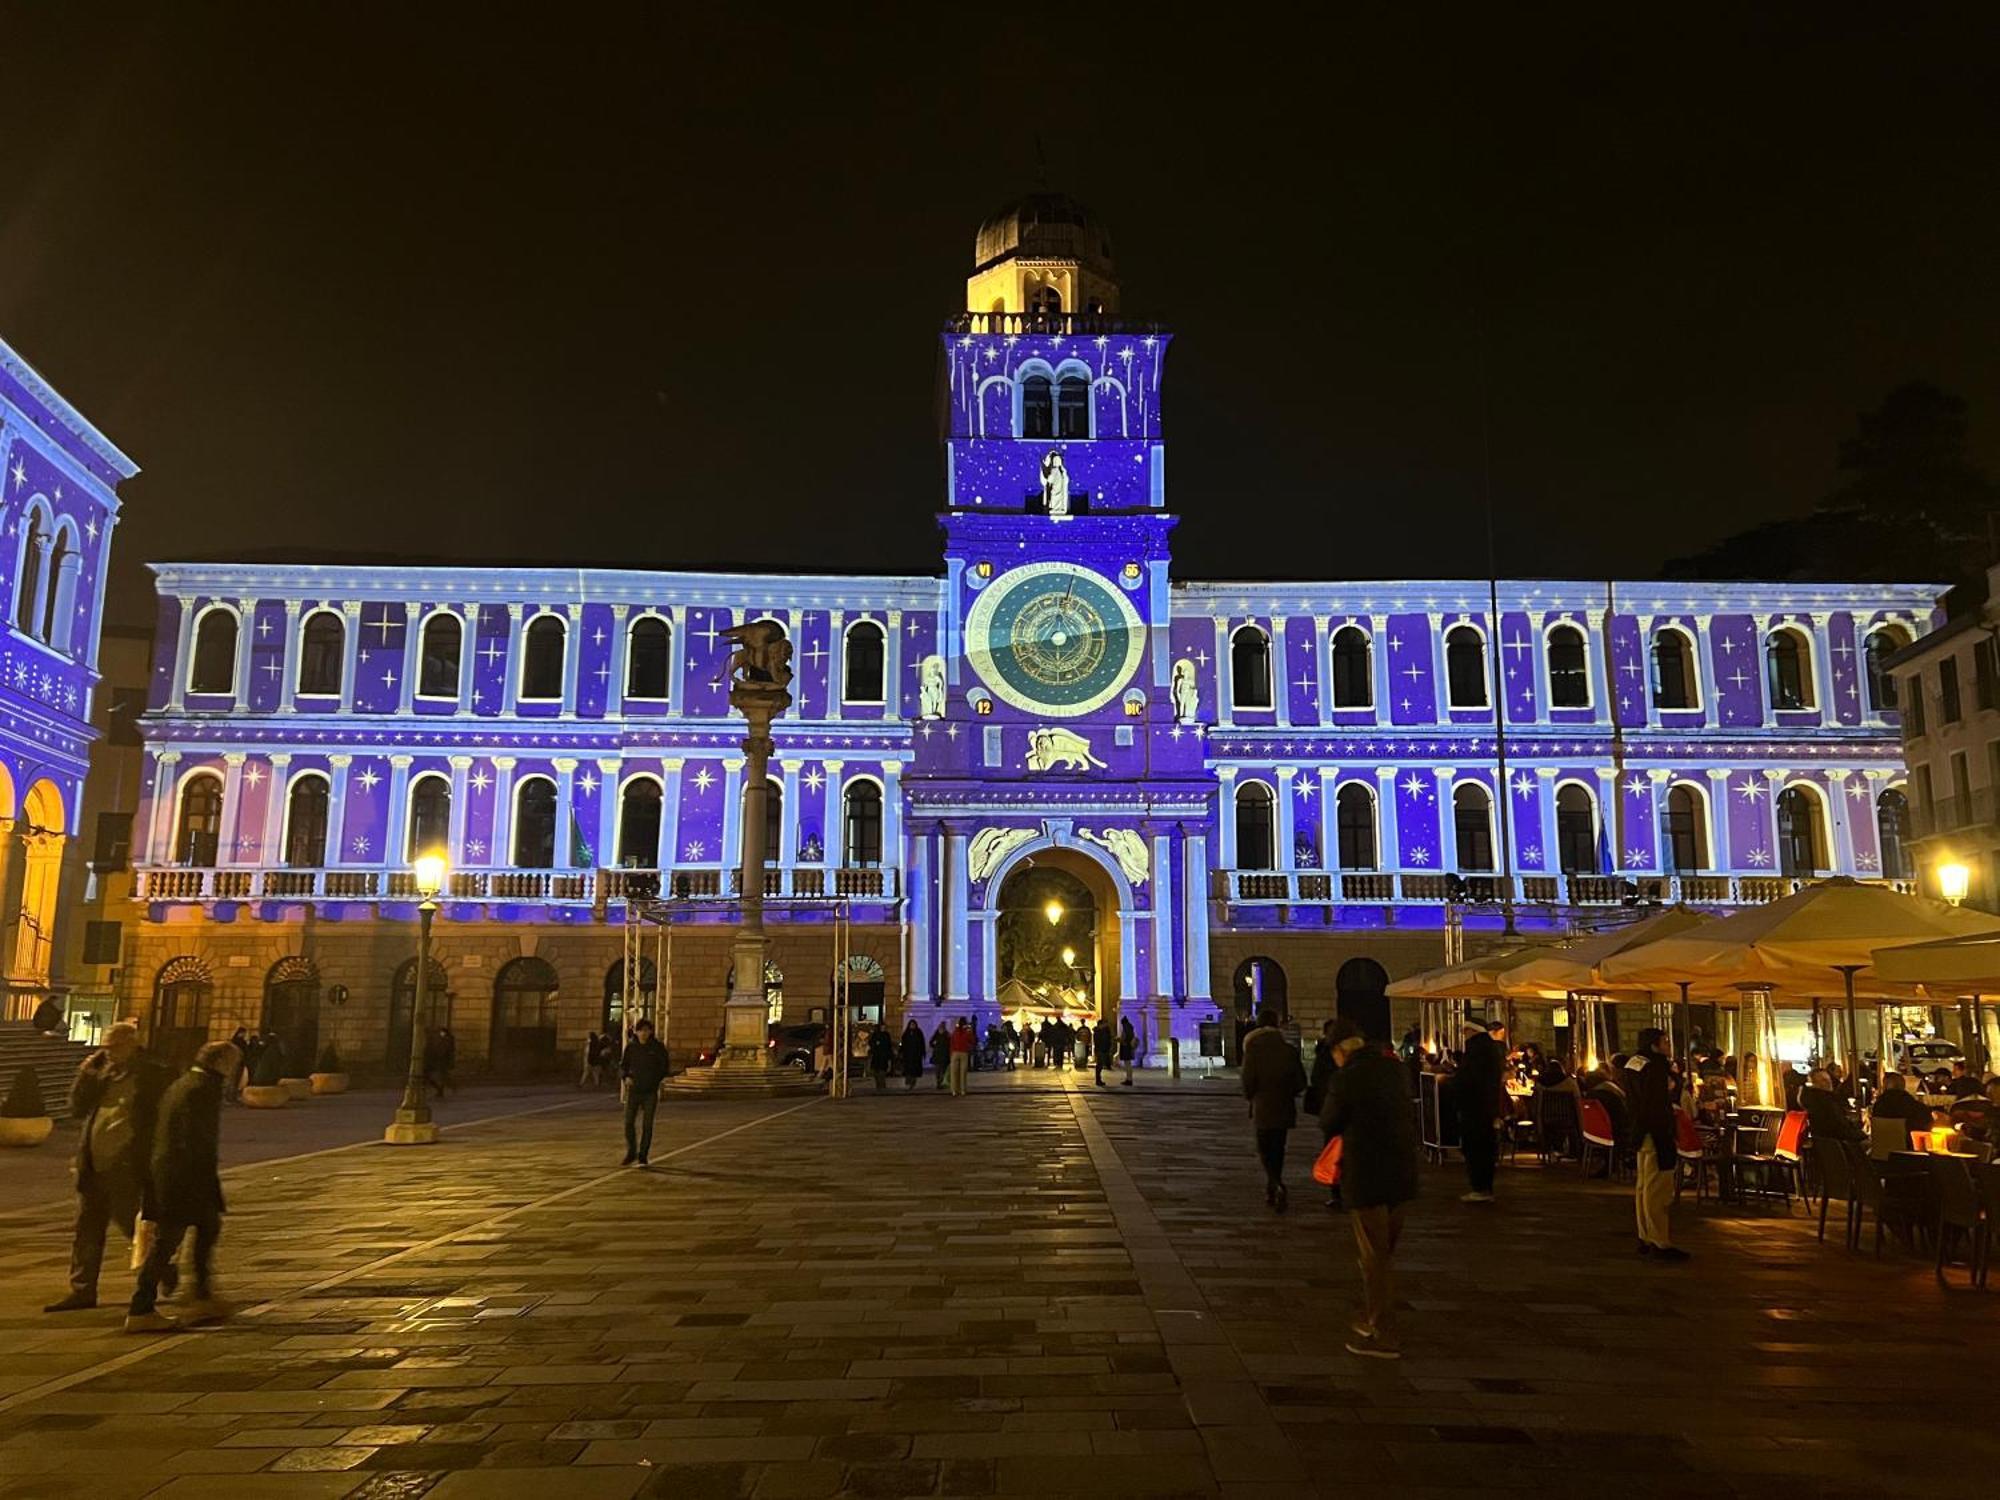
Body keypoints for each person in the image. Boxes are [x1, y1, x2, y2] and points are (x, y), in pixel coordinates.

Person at [45, 1023, 175, 1313]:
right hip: (92, 1163)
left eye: (114, 1047)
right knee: (86, 1230)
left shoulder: (152, 1074)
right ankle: (82, 1290)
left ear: (132, 1044)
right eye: (105, 1047)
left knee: (132, 1226)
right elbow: (77, 1108)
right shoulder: (100, 1074)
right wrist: (85, 1075)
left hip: (126, 1166)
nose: (108, 1053)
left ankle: (161, 1268)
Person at [1319, 1017, 1418, 1359]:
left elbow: (1328, 1122)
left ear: (1338, 1051)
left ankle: (1385, 1333)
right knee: (1383, 1253)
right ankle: (1371, 1316)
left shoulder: (1347, 1078)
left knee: (1374, 1258)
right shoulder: (1396, 1070)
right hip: (1402, 1174)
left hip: (1367, 1174)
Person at [126, 1040, 240, 1333]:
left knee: (206, 1229)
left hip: (177, 1175)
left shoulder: (185, 1083)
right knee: (167, 1242)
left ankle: (201, 1295)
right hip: (184, 1178)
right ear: (220, 1062)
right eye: (232, 1063)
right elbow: (196, 1139)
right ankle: (142, 1307)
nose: (234, 1070)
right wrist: (202, 1180)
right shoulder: (202, 1089)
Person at [1625, 1028, 1686, 1262]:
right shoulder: (1657, 1066)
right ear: (1654, 1045)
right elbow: (1656, 1102)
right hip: (1655, 1131)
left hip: (1638, 1130)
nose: (1669, 1045)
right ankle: (1660, 1241)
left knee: (1644, 1186)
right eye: (1665, 1041)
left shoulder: (1633, 1063)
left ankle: (1645, 1235)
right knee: (1657, 1188)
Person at [1239, 1007, 1307, 1212]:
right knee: (1279, 1148)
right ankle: (1275, 1182)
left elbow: (1248, 1081)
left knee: (1264, 1148)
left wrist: (1251, 1097)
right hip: (1284, 1106)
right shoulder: (1289, 1050)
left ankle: (1275, 1183)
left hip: (1262, 1107)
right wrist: (1288, 1092)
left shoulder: (1253, 1049)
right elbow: (1301, 1081)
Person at [1456, 1020, 1505, 1204]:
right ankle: (1484, 1187)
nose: (1463, 1034)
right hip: (1486, 1107)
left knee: (1476, 1148)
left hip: (1475, 1108)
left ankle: (1480, 1187)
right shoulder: (1489, 1049)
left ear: (1472, 1031)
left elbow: (1468, 1079)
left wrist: (1453, 1084)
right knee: (1484, 1148)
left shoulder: (1477, 1050)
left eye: (1465, 1031)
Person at [619, 1019, 670, 1165]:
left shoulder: (657, 1048)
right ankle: (631, 1151)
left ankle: (643, 1154)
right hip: (633, 1091)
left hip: (649, 1092)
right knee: (628, 1122)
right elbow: (623, 1065)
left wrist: (655, 1080)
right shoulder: (631, 1047)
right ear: (636, 1031)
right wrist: (626, 1076)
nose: (644, 1033)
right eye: (641, 1030)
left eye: (646, 1030)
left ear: (651, 1031)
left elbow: (664, 1066)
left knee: (647, 1125)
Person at [1800, 1068, 1864, 1144]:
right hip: (1841, 1145)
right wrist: (1863, 1134)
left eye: (1829, 1079)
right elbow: (1840, 1129)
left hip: (1827, 1145)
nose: (1829, 1082)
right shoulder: (1827, 1102)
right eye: (1823, 1080)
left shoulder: (1812, 1101)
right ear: (1814, 1084)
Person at [1869, 1070, 1936, 1136]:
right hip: (1909, 1144)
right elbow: (1929, 1124)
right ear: (1903, 1086)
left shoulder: (1879, 1106)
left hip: (1882, 1144)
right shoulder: (1915, 1106)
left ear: (1885, 1086)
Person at [948, 1016, 974, 1095]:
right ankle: (962, 1090)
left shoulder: (955, 1031)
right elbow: (972, 1041)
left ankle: (954, 1090)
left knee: (954, 1073)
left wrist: (951, 1052)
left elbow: (951, 1042)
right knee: (963, 1073)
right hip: (964, 1052)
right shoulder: (967, 1031)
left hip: (955, 1052)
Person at [898, 1018, 925, 1090]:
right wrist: (901, 1052)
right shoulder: (906, 1033)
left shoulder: (918, 1033)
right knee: (908, 1070)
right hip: (907, 1055)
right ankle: (908, 1082)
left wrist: (922, 1053)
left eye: (913, 1024)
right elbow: (903, 1044)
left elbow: (922, 1043)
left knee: (914, 1071)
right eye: (911, 1024)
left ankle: (913, 1083)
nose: (912, 1026)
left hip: (916, 1056)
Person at [868, 1023, 895, 1092]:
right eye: (882, 1027)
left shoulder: (886, 1035)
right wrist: (875, 1045)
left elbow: (889, 1046)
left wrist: (890, 1056)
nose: (883, 1028)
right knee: (876, 1072)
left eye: (884, 1027)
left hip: (884, 1056)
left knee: (882, 1071)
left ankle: (882, 1086)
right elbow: (871, 1043)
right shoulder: (876, 1034)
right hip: (877, 1056)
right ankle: (878, 1085)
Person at [1092, 1016, 1115, 1087]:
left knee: (1100, 1065)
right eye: (1104, 1024)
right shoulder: (1099, 1032)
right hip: (1101, 1050)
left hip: (1103, 1049)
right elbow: (1100, 1041)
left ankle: (1099, 1079)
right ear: (1100, 1024)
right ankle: (1098, 1080)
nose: (1106, 1025)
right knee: (1099, 1065)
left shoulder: (1103, 1031)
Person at [930, 1022, 951, 1090]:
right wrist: (934, 1046)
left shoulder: (947, 1035)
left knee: (943, 1070)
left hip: (944, 1055)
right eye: (940, 1027)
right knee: (938, 1071)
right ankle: (939, 1083)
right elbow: (931, 1043)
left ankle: (941, 1083)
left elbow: (949, 1044)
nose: (941, 1028)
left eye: (942, 1027)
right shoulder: (937, 1034)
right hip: (937, 1055)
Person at [1118, 1016, 1137, 1086]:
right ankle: (1129, 1079)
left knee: (1127, 1064)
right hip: (1129, 1048)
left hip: (1126, 1048)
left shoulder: (1126, 1028)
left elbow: (1124, 1038)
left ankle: (1129, 1079)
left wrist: (1119, 1040)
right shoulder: (1130, 1028)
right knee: (1128, 1064)